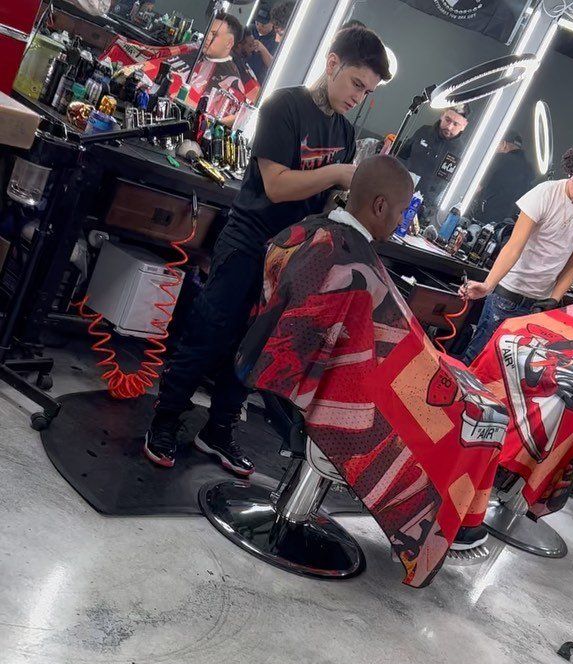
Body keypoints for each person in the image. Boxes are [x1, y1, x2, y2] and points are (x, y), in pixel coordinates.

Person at [237, 155, 509, 579]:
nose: (402, 222)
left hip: (278, 365)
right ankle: (457, 526)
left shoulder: (315, 232)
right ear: (380, 206)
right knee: (473, 421)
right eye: (402, 212)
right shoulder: (350, 263)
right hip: (331, 392)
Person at [143, 25, 390, 471]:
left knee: (255, 346)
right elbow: (276, 186)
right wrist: (337, 173)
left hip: (290, 256)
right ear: (332, 63)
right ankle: (165, 419)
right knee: (210, 332)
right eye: (357, 83)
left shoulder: (345, 133)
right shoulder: (284, 106)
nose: (359, 97)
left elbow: (322, 198)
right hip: (248, 239)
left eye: (368, 91)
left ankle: (217, 430)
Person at [460, 141, 573, 363]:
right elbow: (515, 246)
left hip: (539, 304)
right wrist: (488, 285)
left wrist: (554, 299)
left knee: (506, 371)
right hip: (508, 294)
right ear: (571, 174)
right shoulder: (545, 193)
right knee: (476, 358)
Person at [396, 105, 470, 215]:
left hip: (421, 204)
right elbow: (401, 157)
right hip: (398, 189)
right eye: (447, 120)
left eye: (456, 124)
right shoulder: (424, 131)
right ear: (442, 115)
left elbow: (441, 184)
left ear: (464, 126)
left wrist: (425, 208)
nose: (449, 127)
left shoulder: (459, 151)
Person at [469, 130, 535, 225]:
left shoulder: (499, 159)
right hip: (506, 223)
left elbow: (477, 187)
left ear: (503, 144)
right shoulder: (529, 168)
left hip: (485, 217)